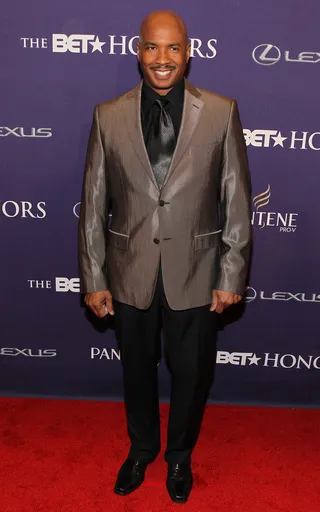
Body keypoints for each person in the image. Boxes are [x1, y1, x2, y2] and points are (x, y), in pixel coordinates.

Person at [78, 10, 251, 503]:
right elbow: (92, 204)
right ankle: (142, 450)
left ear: (189, 52)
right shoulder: (107, 115)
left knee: (192, 373)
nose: (162, 58)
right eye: (153, 47)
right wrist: (94, 276)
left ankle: (178, 457)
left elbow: (237, 200)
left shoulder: (221, 111)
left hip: (197, 272)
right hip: (128, 270)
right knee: (136, 369)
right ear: (138, 52)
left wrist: (231, 272)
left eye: (173, 48)